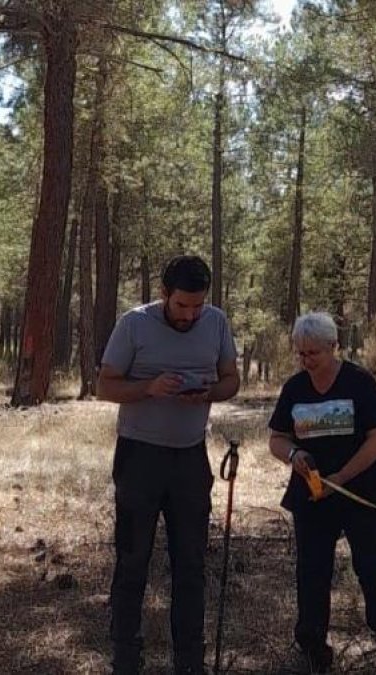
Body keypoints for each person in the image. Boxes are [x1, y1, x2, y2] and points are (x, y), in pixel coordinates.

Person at [97, 255, 240, 674]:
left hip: (190, 457)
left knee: (191, 562)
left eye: (197, 305)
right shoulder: (134, 324)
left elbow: (232, 379)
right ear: (164, 294)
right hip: (139, 454)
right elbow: (105, 385)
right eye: (182, 306)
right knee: (132, 558)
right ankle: (126, 655)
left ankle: (189, 660)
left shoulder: (216, 322)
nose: (191, 314)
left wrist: (211, 392)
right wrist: (149, 387)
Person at [268, 312, 376, 673]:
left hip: (363, 492)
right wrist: (294, 455)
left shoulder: (359, 382)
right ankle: (312, 647)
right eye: (301, 354)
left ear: (334, 347)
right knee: (312, 571)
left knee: (371, 566)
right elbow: (277, 439)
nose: (307, 361)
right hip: (312, 496)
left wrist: (342, 476)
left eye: (314, 353)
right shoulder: (295, 388)